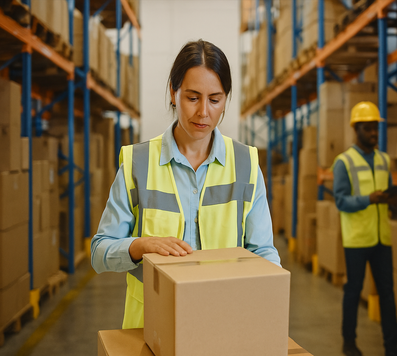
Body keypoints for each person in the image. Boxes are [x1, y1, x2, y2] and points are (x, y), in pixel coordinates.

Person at [91, 40, 281, 329]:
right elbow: (99, 252)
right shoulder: (137, 163)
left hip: (225, 325)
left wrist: (272, 297)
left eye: (215, 100)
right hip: (153, 327)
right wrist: (140, 245)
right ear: (173, 92)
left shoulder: (246, 164)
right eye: (193, 97)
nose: (203, 111)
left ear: (226, 99)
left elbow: (263, 251)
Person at [332, 102, 397, 356]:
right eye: (368, 128)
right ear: (356, 129)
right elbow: (340, 200)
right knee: (353, 291)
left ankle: (391, 347)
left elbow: (387, 190)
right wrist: (368, 199)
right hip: (357, 239)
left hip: (382, 237)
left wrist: (392, 200)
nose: (374, 133)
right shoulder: (343, 162)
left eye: (376, 128)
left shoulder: (384, 159)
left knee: (387, 292)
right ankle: (349, 344)